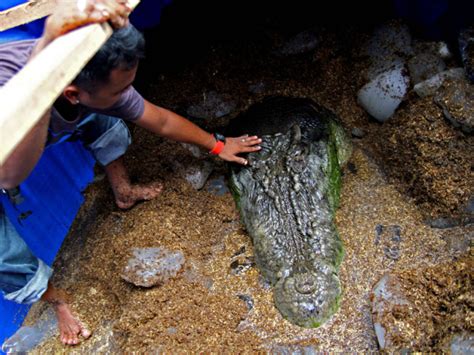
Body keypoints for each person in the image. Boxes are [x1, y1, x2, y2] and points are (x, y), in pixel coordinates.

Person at [0, 0, 261, 346]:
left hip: (55, 104)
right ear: (72, 93)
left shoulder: (86, 67)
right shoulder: (12, 87)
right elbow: (9, 175)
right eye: (120, 89)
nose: (129, 96)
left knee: (106, 117)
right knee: (6, 256)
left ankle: (122, 190)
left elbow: (160, 119)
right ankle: (57, 300)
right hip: (7, 146)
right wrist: (42, 95)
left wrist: (216, 145)